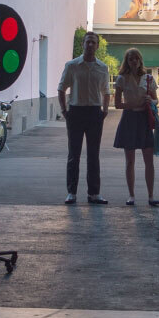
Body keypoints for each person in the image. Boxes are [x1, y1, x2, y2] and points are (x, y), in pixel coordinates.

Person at [57, 31, 111, 204]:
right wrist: (64, 111)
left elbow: (106, 91)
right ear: (83, 44)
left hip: (95, 113)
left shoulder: (102, 68)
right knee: (74, 154)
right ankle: (71, 192)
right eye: (88, 42)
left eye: (93, 42)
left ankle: (94, 193)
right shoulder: (72, 65)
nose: (90, 45)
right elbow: (61, 88)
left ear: (97, 46)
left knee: (93, 155)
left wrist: (104, 110)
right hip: (76, 112)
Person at [113, 48, 159, 206]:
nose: (134, 61)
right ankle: (131, 195)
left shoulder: (148, 78)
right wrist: (134, 104)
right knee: (129, 161)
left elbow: (156, 100)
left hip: (144, 119)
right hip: (129, 118)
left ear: (140, 60)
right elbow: (117, 104)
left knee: (149, 161)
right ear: (127, 62)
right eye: (130, 59)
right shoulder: (121, 79)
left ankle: (151, 196)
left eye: (136, 58)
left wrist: (151, 101)